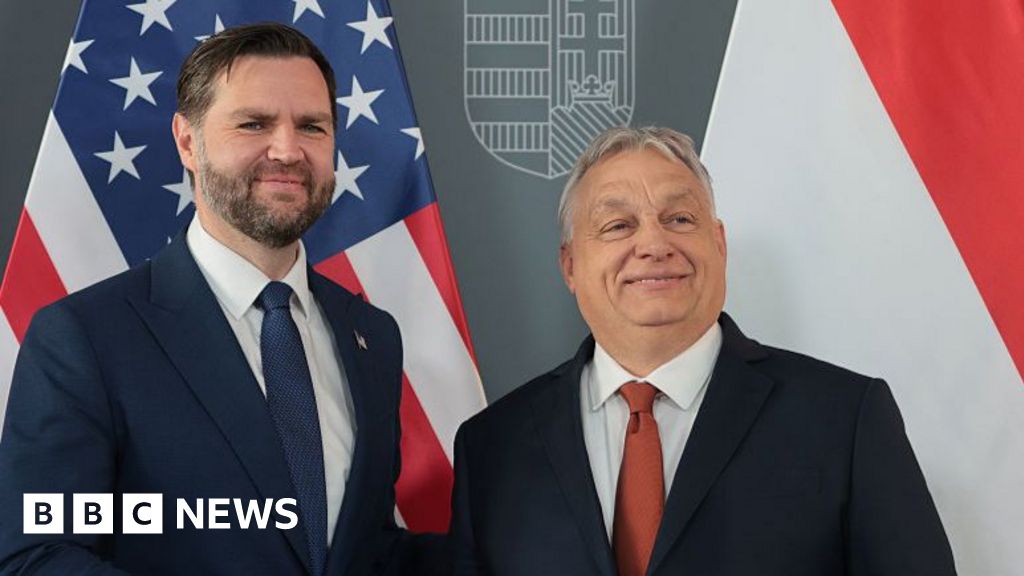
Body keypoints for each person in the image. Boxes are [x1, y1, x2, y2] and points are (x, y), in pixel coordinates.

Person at [0, 23, 441, 576]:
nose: (288, 150)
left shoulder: (372, 335)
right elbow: (38, 556)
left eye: (312, 126)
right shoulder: (86, 337)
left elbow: (367, 549)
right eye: (254, 123)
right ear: (188, 141)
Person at [450, 126, 957, 575]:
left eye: (680, 219)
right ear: (569, 266)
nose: (654, 244)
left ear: (719, 244)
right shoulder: (492, 446)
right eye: (618, 225)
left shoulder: (845, 420)